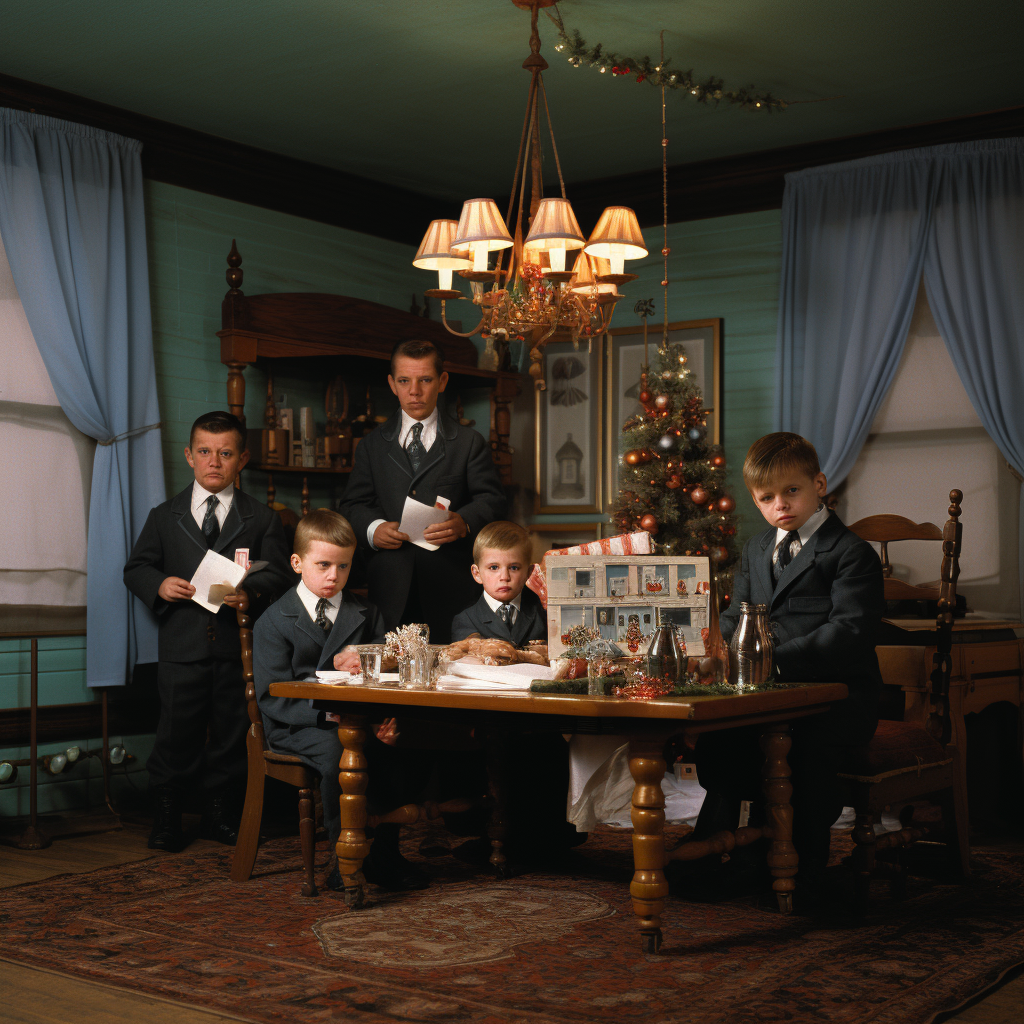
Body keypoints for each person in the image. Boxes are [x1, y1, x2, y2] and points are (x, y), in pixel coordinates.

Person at [690, 432, 883, 902]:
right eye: (767, 497)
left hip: (836, 699)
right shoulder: (757, 550)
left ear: (819, 484)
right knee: (724, 738)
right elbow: (736, 613)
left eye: (792, 491)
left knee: (803, 750)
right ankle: (715, 850)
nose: (782, 504)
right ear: (756, 503)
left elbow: (848, 634)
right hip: (768, 694)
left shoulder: (850, 553)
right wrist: (719, 648)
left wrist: (766, 658)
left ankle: (802, 865)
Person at [124, 411, 291, 852]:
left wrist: (249, 594)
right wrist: (158, 584)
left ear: (242, 459)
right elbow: (137, 567)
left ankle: (220, 816)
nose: (214, 461)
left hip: (237, 648)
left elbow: (276, 573)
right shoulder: (165, 516)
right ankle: (167, 817)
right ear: (189, 456)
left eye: (225, 453)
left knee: (232, 733)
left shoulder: (261, 518)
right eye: (204, 452)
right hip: (181, 645)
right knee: (175, 732)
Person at [252, 508, 427, 892]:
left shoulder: (367, 613)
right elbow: (270, 696)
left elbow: (386, 676)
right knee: (340, 756)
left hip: (360, 718)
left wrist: (384, 719)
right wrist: (328, 714)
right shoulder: (273, 620)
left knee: (394, 751)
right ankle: (344, 857)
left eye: (344, 566)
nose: (334, 575)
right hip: (300, 724)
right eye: (323, 565)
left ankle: (385, 856)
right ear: (297, 563)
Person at [339, 339, 507, 644]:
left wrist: (464, 522)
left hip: (452, 589)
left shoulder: (469, 442)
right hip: (388, 591)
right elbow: (352, 505)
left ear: (442, 381)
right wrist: (373, 529)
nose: (414, 391)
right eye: (404, 381)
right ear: (392, 384)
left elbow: (493, 501)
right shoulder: (371, 446)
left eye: (425, 380)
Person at [451, 521, 546, 645]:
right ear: (477, 574)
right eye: (494, 567)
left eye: (514, 568)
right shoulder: (465, 620)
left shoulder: (543, 615)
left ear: (529, 573)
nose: (504, 577)